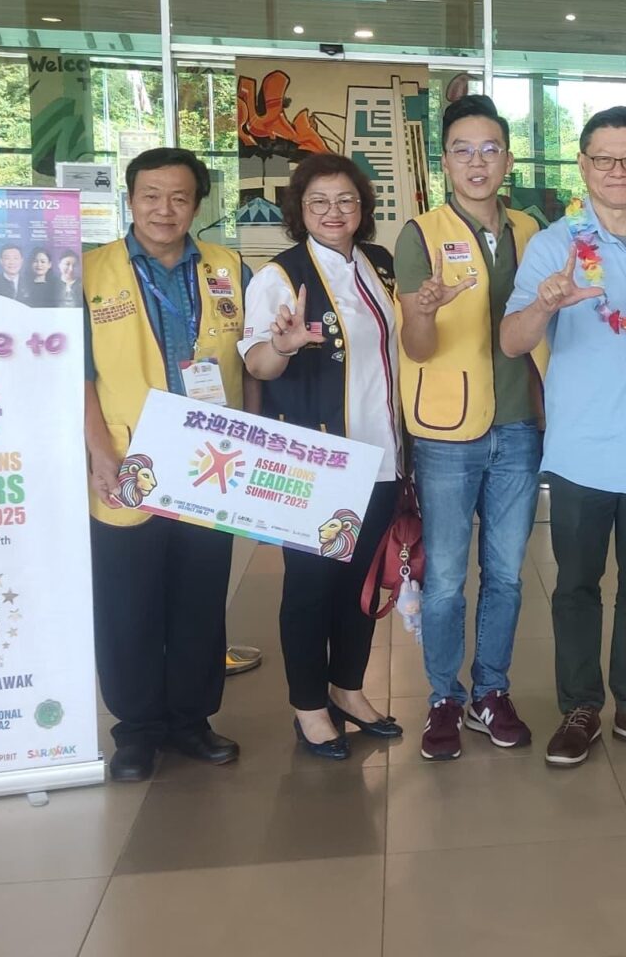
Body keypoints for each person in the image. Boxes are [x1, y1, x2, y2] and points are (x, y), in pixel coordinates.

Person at [502, 106, 626, 767]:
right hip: (582, 451)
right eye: (604, 158)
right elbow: (511, 341)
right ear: (582, 165)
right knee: (577, 588)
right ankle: (580, 708)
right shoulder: (553, 246)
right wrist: (545, 304)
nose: (617, 170)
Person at [82, 148, 251, 782]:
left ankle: (191, 720)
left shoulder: (228, 268)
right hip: (129, 457)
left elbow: (251, 358)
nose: (164, 209)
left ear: (198, 205)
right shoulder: (90, 272)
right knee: (127, 601)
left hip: (211, 461)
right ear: (130, 200)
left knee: (199, 598)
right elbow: (78, 375)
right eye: (151, 196)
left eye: (179, 197)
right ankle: (136, 730)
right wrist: (99, 451)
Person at [240, 153, 405, 760]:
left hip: (383, 454)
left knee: (360, 581)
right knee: (311, 585)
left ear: (362, 208)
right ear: (299, 210)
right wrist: (282, 346)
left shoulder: (379, 264)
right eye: (319, 202)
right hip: (317, 460)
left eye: (345, 201)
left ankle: (348, 689)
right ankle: (310, 706)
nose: (334, 212)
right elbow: (257, 363)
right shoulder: (279, 277)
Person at [394, 94, 545, 761]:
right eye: (463, 150)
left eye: (490, 150)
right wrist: (423, 310)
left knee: (507, 573)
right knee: (448, 579)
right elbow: (417, 346)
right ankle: (443, 697)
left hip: (519, 426)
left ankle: (491, 691)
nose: (477, 163)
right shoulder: (420, 235)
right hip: (447, 431)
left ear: (508, 159)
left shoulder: (531, 230)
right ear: (445, 162)